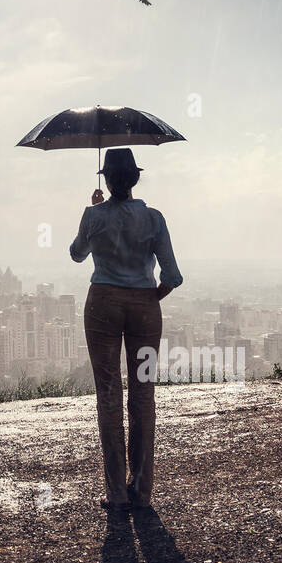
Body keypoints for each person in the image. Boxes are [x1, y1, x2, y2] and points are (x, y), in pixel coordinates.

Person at [70, 148, 182, 514]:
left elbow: (77, 253)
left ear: (106, 180)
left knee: (108, 394)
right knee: (143, 394)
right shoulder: (154, 218)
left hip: (102, 304)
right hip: (144, 308)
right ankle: (143, 490)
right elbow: (172, 276)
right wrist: (148, 299)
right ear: (135, 178)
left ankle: (117, 491)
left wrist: (95, 211)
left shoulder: (93, 216)